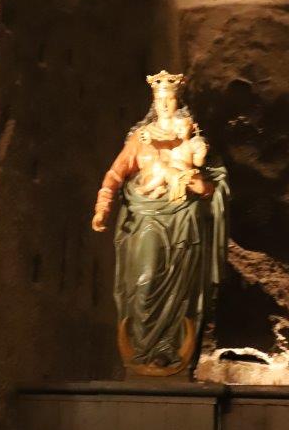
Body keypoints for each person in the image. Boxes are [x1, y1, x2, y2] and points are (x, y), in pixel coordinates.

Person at [92, 71, 228, 376]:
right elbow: (115, 175)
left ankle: (170, 351)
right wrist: (102, 207)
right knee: (145, 280)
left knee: (181, 289)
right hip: (147, 218)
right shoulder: (140, 139)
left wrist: (200, 186)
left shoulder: (193, 138)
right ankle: (142, 352)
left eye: (170, 98)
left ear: (178, 101)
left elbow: (212, 184)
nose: (165, 104)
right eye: (160, 98)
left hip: (184, 221)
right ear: (154, 101)